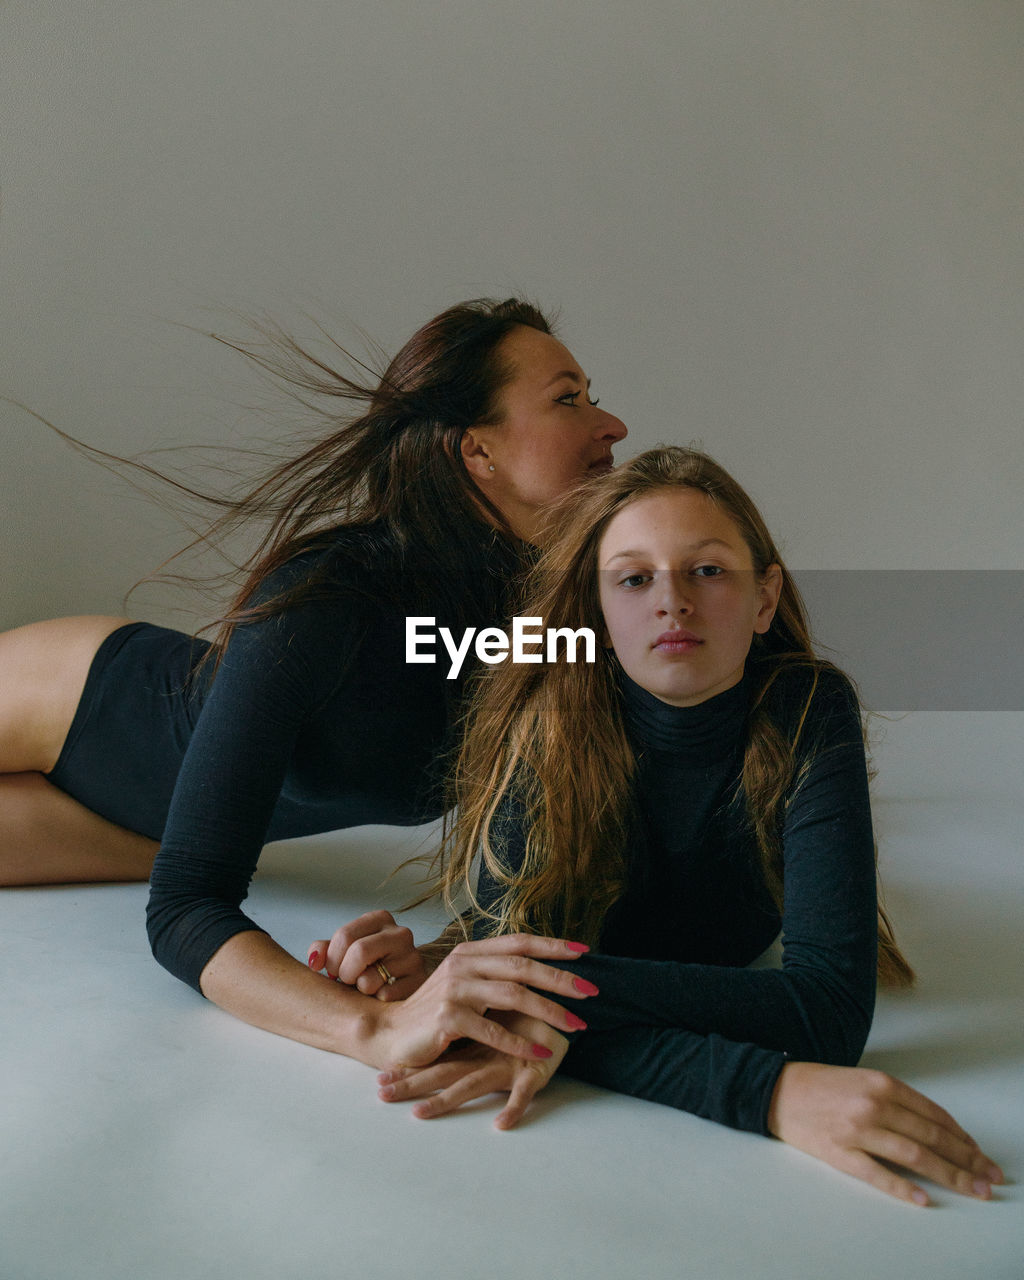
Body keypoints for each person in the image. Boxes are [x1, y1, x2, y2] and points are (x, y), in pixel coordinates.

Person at [320, 445, 1004, 1206]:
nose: (671, 601)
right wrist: (767, 1093)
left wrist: (519, 1000)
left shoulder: (807, 707)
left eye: (708, 570)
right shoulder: (544, 712)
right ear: (599, 615)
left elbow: (827, 1014)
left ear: (765, 598)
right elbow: (511, 980)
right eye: (635, 579)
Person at [0, 296, 628, 1069]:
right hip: (72, 700)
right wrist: (376, 1032)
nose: (612, 426)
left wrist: (428, 966)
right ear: (477, 452)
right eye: (569, 399)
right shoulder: (334, 595)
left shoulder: (564, 618)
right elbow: (187, 911)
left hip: (137, 832)